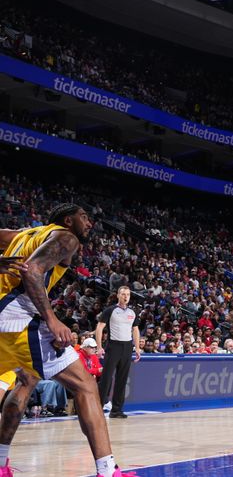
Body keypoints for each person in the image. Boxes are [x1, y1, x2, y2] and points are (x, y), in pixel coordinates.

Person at [0, 203, 131, 477]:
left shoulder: (24, 234)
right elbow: (32, 270)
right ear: (68, 220)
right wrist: (51, 319)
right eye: (84, 217)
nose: (89, 223)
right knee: (85, 385)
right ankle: (107, 471)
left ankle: (0, 464)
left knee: (26, 380)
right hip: (17, 318)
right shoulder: (66, 237)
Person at [95, 286, 141, 419]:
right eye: (123, 294)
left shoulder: (133, 312)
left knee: (122, 379)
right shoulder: (110, 310)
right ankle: (97, 408)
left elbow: (136, 330)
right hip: (113, 346)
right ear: (118, 295)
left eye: (128, 294)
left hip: (127, 347)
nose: (125, 297)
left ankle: (116, 410)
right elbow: (99, 328)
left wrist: (137, 347)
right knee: (106, 378)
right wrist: (99, 347)